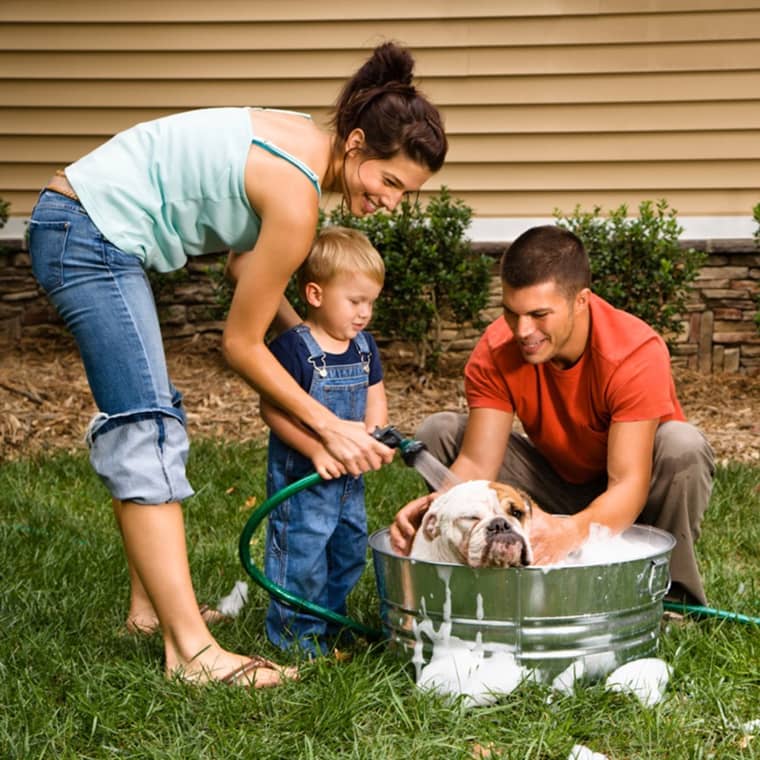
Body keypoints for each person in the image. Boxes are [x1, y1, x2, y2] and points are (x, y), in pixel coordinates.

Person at [28, 41, 447, 688]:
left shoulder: (301, 139)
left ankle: (148, 614)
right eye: (388, 180)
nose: (391, 201)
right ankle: (192, 654)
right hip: (86, 235)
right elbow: (239, 345)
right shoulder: (297, 196)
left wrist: (305, 336)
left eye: (406, 194)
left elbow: (244, 268)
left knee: (155, 412)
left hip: (79, 224)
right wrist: (329, 426)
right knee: (146, 424)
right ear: (358, 142)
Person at [390, 225, 715, 606]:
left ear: (581, 301)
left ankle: (670, 597)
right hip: (552, 485)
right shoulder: (497, 349)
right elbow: (478, 462)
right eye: (512, 313)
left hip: (633, 496)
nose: (523, 330)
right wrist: (437, 506)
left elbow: (628, 483)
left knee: (682, 444)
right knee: (441, 431)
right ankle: (472, 579)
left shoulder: (633, 352)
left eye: (539, 314)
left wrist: (570, 532)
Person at [260, 226, 387, 656]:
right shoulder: (293, 350)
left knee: (348, 551)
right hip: (305, 479)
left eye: (370, 302)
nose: (364, 313)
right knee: (303, 556)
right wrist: (316, 448)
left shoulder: (364, 347)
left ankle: (330, 622)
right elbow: (272, 411)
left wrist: (376, 437)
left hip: (349, 481)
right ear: (315, 295)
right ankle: (297, 637)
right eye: (355, 302)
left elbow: (376, 400)